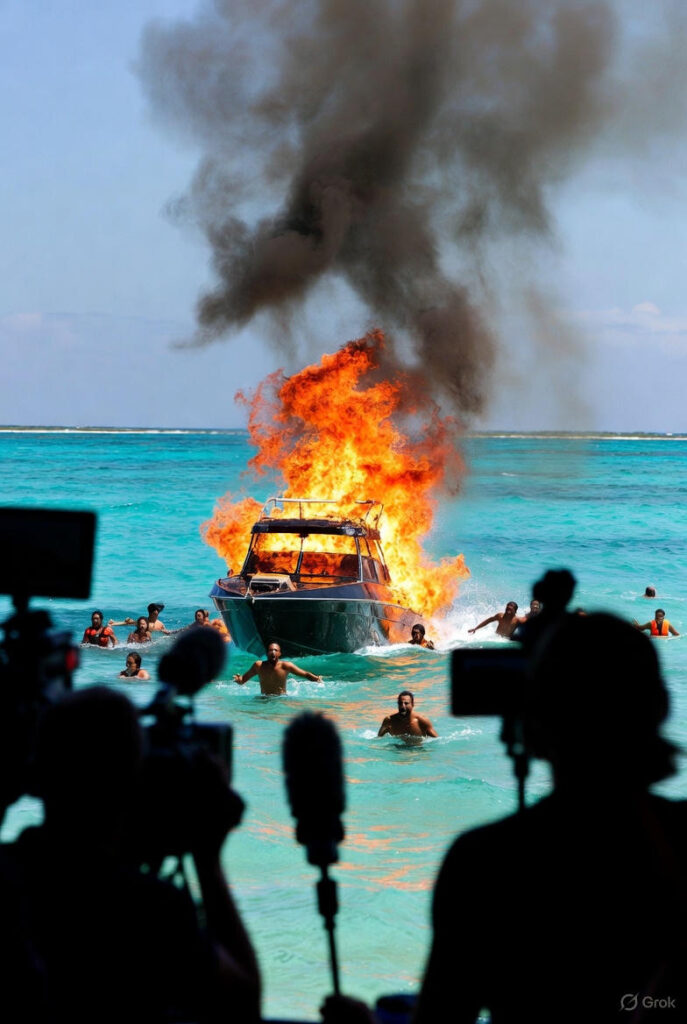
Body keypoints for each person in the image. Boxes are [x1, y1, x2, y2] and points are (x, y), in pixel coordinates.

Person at [415, 612, 687, 1024]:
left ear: (534, 720)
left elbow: (443, 1015)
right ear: (658, 709)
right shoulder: (680, 841)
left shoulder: (482, 862)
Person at [0, 686, 261, 1022]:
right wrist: (207, 858)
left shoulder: (8, 877)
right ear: (139, 781)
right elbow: (243, 1004)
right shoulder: (152, 909)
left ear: (37, 777)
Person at [233, 641, 322, 695]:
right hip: (264, 699)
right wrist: (238, 680)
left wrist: (317, 678)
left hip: (281, 699)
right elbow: (243, 680)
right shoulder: (259, 666)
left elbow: (305, 674)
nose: (273, 652)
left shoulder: (286, 666)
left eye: (276, 650)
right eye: (270, 650)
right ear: (267, 653)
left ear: (280, 654)